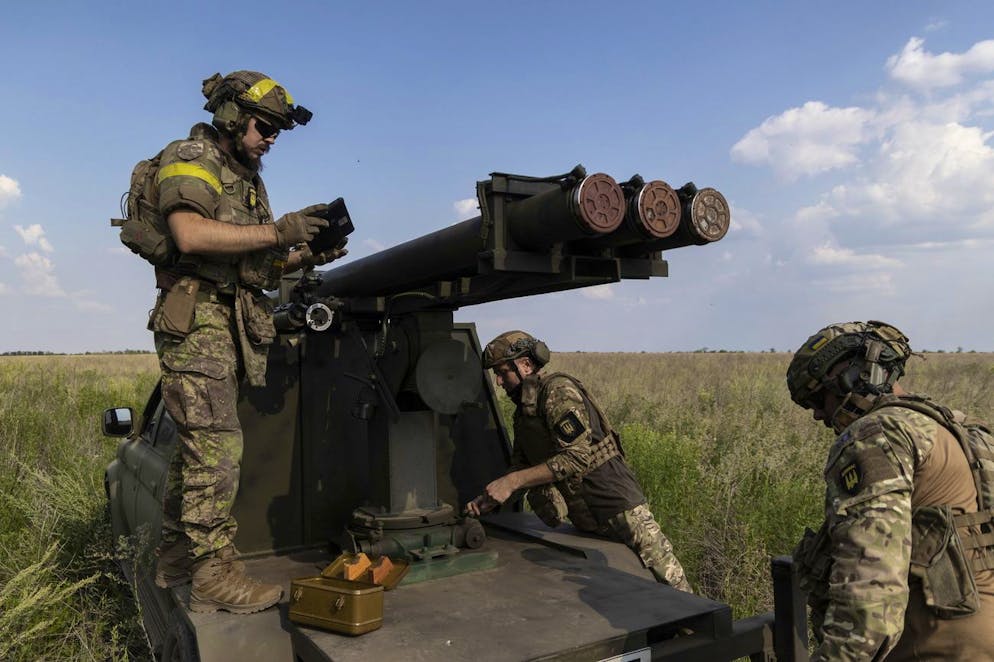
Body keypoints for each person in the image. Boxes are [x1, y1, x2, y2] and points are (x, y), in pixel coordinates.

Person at [145, 71, 347, 614]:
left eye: (281, 130)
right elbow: (190, 234)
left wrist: (311, 252)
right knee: (219, 450)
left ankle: (175, 559)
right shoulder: (192, 156)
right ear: (232, 116)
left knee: (197, 456)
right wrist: (280, 232)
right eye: (266, 126)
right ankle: (213, 572)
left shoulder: (246, 177)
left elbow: (253, 266)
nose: (272, 138)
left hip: (227, 321)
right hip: (199, 322)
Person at [787, 321, 994, 660]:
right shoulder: (962, 430)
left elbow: (871, 597)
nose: (819, 415)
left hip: (934, 647)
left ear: (854, 377)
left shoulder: (875, 436)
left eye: (818, 397)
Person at [465, 330, 692, 592]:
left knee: (671, 584)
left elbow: (575, 457)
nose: (499, 381)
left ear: (525, 365)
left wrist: (512, 481)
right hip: (587, 516)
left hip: (617, 506)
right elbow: (523, 466)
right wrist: (492, 496)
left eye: (503, 372)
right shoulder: (525, 412)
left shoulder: (558, 391)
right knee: (623, 590)